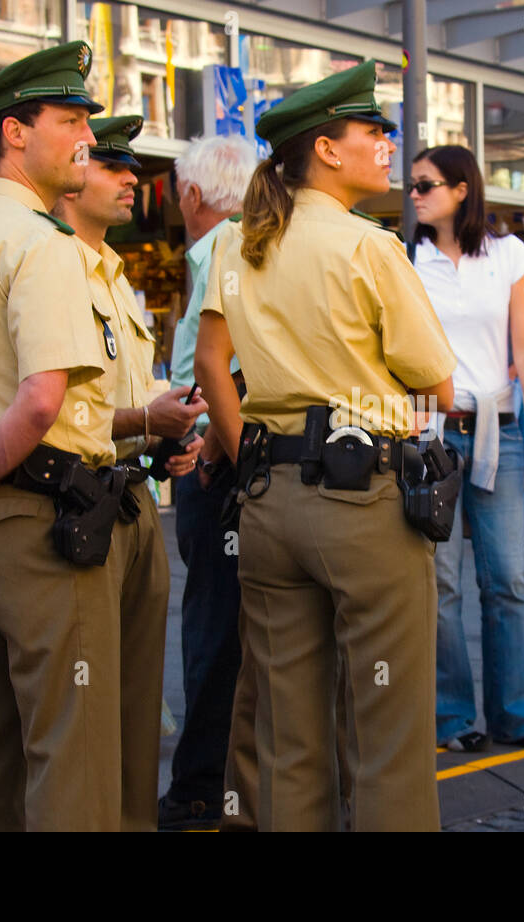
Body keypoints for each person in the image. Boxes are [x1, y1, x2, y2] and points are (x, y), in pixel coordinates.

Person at [0, 41, 199, 831]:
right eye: (70, 121)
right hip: (43, 525)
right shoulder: (43, 246)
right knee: (75, 752)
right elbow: (40, 402)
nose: (87, 140)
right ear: (15, 134)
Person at [193, 59, 457, 831]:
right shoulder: (369, 247)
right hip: (364, 497)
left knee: (285, 733)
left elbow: (215, 363)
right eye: (372, 132)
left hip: (271, 500)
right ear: (328, 150)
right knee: (389, 732)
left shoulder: (237, 245)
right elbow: (437, 381)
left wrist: (249, 459)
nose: (387, 146)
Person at [51, 114, 205, 831]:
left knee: (139, 705)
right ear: (73, 172)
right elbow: (53, 412)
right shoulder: (47, 265)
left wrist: (168, 426)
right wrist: (149, 420)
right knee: (84, 711)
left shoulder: (114, 273)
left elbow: (126, 396)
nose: (131, 182)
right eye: (114, 167)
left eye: (134, 170)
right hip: (75, 502)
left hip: (134, 494)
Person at [407, 144, 524, 752]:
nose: (415, 194)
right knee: (441, 586)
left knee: (508, 580)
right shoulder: (404, 258)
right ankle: (451, 720)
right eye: (413, 186)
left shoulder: (512, 255)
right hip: (431, 435)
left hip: (503, 431)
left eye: (427, 185)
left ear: (462, 189)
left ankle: (514, 715)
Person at [159, 133, 255, 830]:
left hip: (216, 467)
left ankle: (201, 785)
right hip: (231, 463)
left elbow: (224, 373)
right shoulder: (240, 249)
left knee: (214, 628)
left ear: (191, 195)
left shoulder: (221, 252)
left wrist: (216, 453)